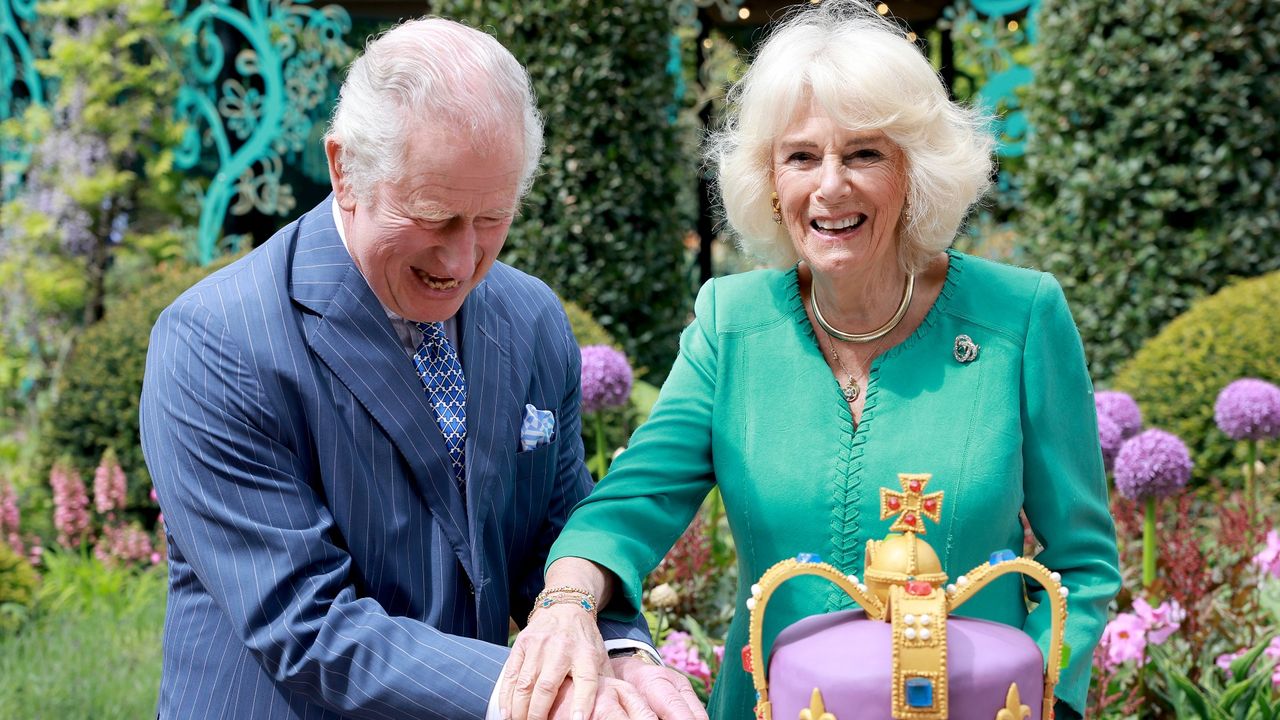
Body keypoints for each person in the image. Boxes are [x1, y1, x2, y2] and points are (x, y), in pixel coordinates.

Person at [502, 2, 1121, 719]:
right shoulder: (729, 324)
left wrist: (1049, 695)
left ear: (914, 171)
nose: (830, 186)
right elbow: (627, 507)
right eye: (801, 156)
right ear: (770, 180)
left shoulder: (1021, 317)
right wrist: (566, 603)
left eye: (864, 153)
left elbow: (1082, 564)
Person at [139, 17, 704, 720]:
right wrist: (544, 698)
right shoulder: (216, 345)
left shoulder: (530, 319)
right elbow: (307, 628)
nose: (462, 262)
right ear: (345, 170)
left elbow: (557, 543)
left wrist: (619, 657)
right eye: (434, 217)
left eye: (492, 220)